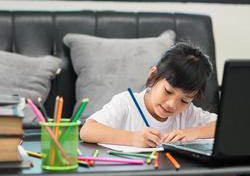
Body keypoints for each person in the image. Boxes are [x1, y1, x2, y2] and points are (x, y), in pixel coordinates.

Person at [80, 43, 217, 148]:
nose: (172, 104)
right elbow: (87, 130)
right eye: (168, 91)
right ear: (153, 76)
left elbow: (224, 126)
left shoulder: (187, 113)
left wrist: (193, 133)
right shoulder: (127, 103)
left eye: (184, 100)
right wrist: (132, 138)